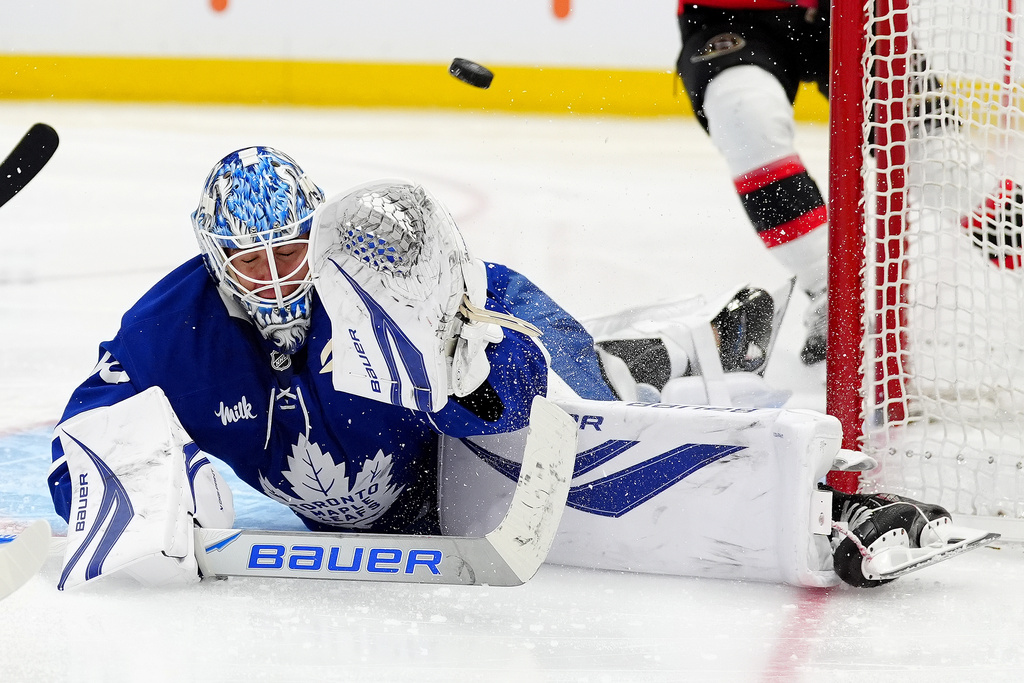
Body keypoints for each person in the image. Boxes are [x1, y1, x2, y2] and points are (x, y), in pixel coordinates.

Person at [47, 146, 985, 592]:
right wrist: (148, 486)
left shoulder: (369, 280)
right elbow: (76, 449)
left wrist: (483, 377)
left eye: (293, 248)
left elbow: (507, 357)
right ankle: (672, 348)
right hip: (408, 493)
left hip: (469, 395)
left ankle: (832, 511)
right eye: (252, 261)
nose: (281, 277)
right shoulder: (170, 331)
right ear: (215, 261)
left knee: (598, 428)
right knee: (592, 404)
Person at [676, 0, 832, 365]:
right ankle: (837, 292)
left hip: (858, 9)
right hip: (730, 14)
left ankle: (996, 243)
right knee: (745, 116)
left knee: (934, 144)